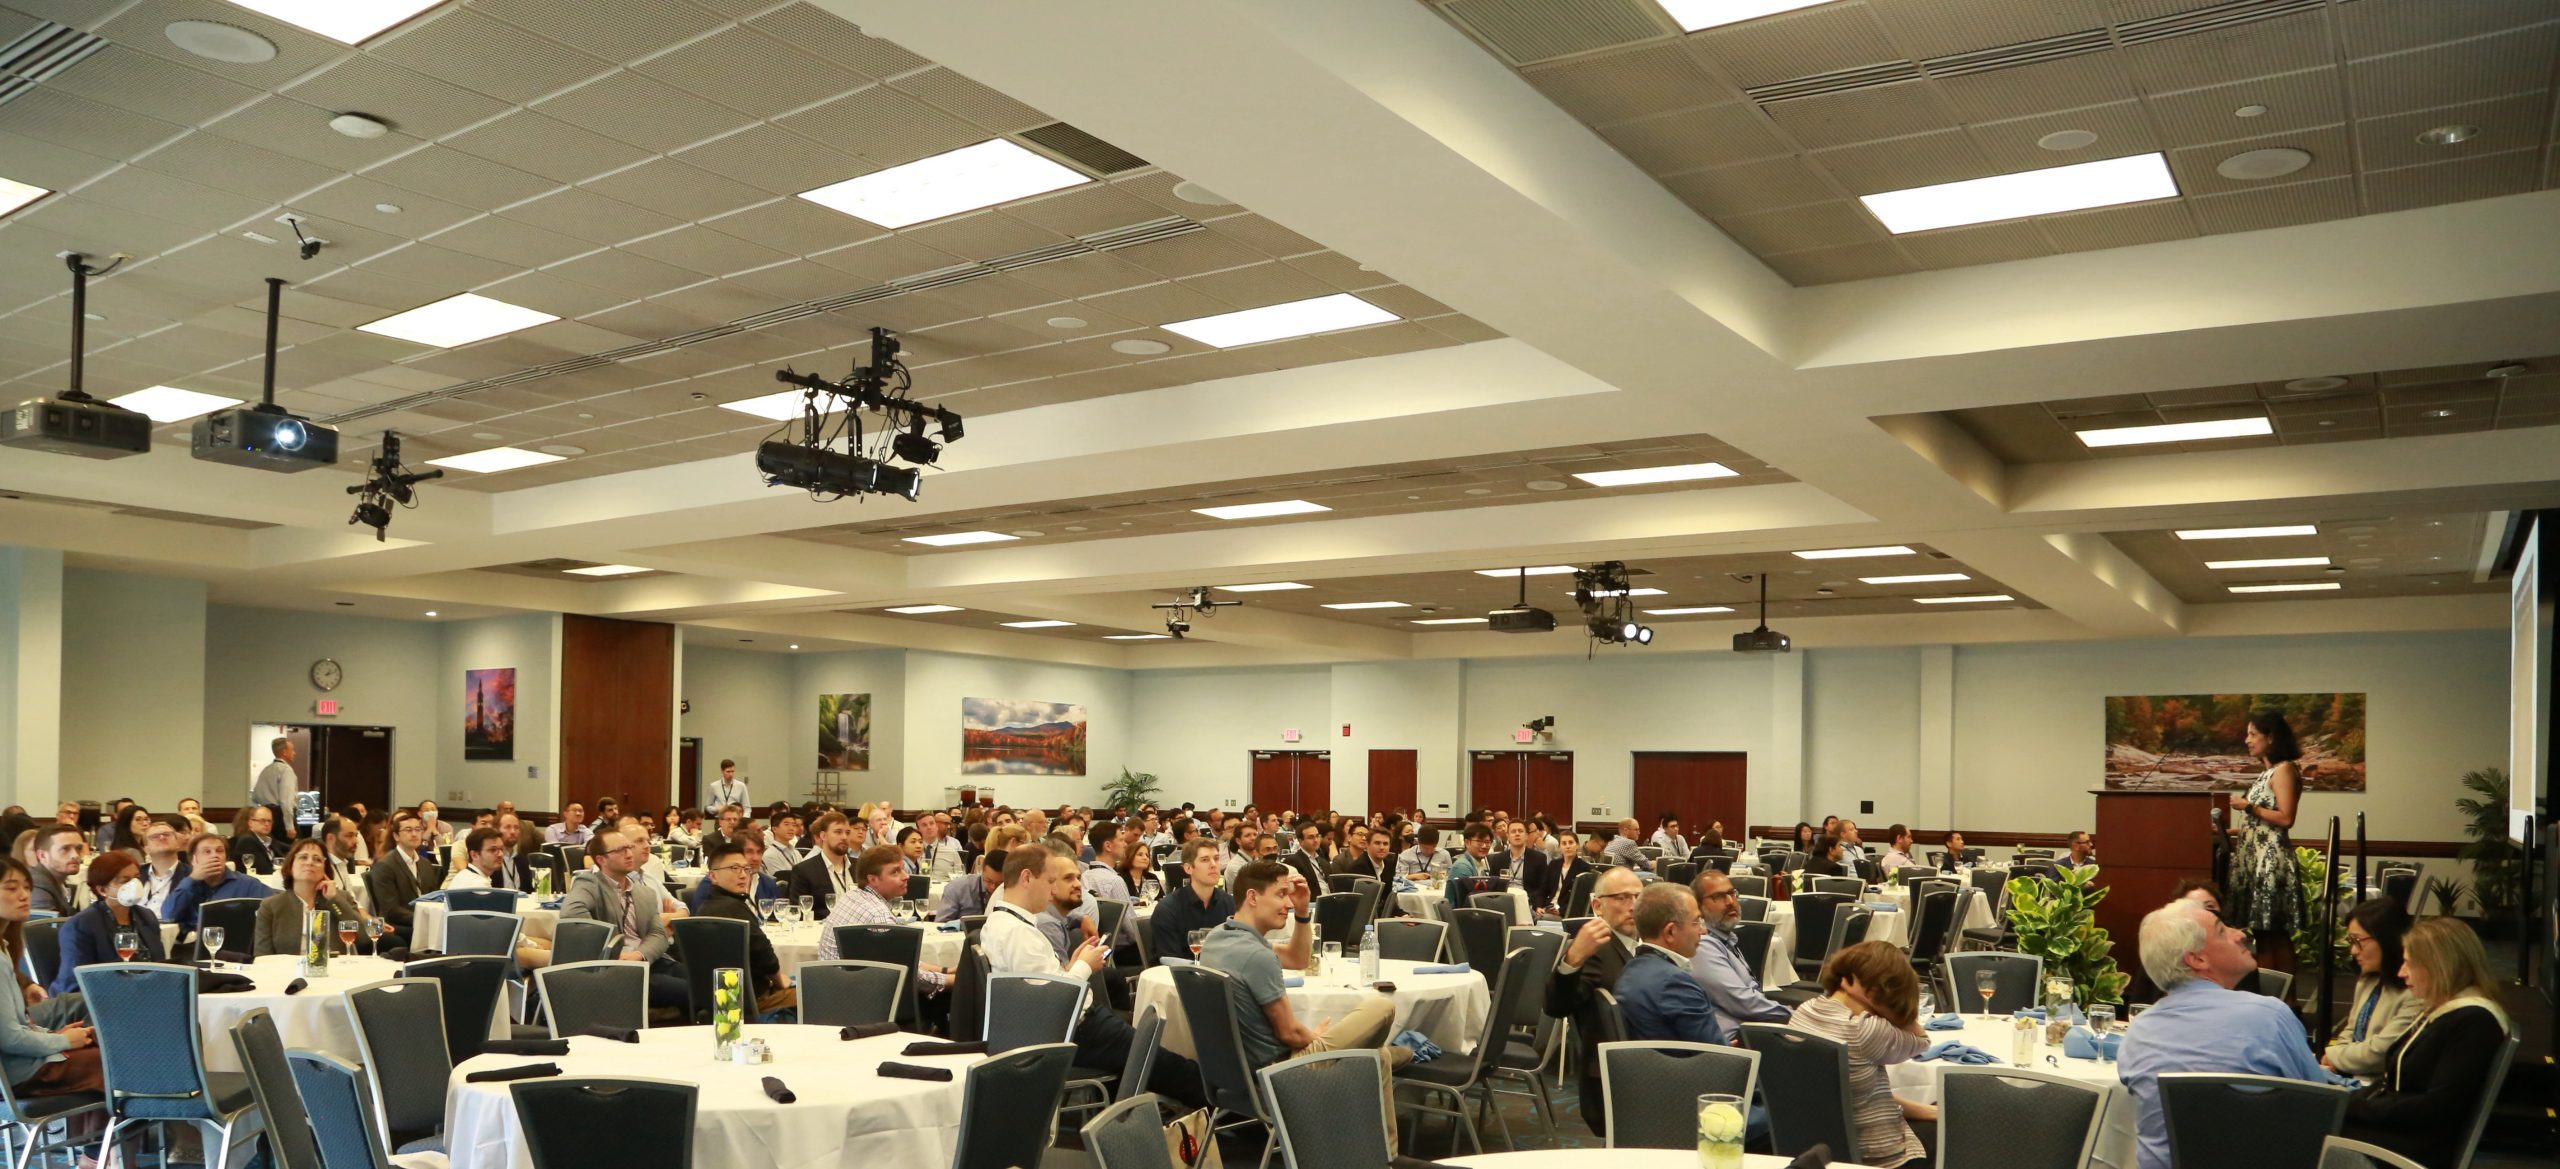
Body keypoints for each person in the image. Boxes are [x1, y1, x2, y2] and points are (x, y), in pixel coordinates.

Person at [983, 848, 1203, 1102]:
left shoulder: (1001, 923)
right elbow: (1051, 1004)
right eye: (1050, 881)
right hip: (1075, 1030)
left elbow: (1036, 986)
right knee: (1167, 1063)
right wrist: (1084, 966)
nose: (1052, 890)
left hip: (1073, 1024)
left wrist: (1070, 968)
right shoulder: (1018, 933)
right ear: (1027, 878)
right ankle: (1219, 1103)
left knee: (1155, 1053)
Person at [2120, 899, 2325, 1169]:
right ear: (2197, 959)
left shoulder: (2137, 1032)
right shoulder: (2269, 1016)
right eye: (2222, 930)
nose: (2239, 934)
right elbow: (2322, 1107)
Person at [1200, 859, 1406, 1086]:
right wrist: (1319, 1038)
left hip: (1234, 1072)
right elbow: (1290, 1033)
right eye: (1281, 894)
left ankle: (1375, 1054)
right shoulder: (1257, 956)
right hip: (1280, 1072)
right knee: (1382, 1006)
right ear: (1253, 897)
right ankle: (1372, 1051)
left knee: (1380, 1058)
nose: (1288, 903)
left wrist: (1302, 913)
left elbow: (1298, 959)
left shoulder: (1218, 937)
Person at [2340, 917, 2514, 1169]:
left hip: (2411, 1149)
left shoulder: (2474, 1021)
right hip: (2397, 1132)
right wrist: (2350, 1102)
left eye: (2409, 963)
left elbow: (2437, 1108)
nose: (2401, 972)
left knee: (2302, 1126)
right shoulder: (2448, 1011)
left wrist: (2354, 1106)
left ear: (2439, 966)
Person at [1786, 940, 1932, 1168]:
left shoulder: (1804, 1011)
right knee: (1955, 1132)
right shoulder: (1867, 1029)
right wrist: (1882, 1007)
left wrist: (1926, 1111)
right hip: (1878, 1156)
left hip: (1819, 1149)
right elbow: (1922, 1041)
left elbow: (1848, 1094)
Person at [1547, 868, 1643, 1135]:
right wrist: (1573, 959)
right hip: (1615, 1077)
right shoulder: (1596, 950)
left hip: (1645, 1064)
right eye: (1622, 898)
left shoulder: (1647, 944)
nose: (1633, 906)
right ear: (1598, 906)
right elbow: (1555, 1006)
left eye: (1639, 897)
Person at [0, 858, 100, 1098]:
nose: (24, 895)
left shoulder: (5, 947)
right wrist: (63, 1041)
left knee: (101, 1046)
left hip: (22, 1063)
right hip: (21, 1072)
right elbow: (9, 1038)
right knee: (119, 1059)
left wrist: (54, 1036)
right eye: (11, 888)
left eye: (27, 887)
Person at [557, 826, 687, 1009]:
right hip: (615, 969)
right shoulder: (589, 884)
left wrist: (638, 955)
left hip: (648, 960)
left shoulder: (644, 892)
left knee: (705, 980)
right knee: (690, 990)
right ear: (601, 860)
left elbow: (658, 934)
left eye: (629, 847)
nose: (629, 854)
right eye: (620, 850)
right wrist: (612, 950)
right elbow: (572, 914)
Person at [2225, 709, 2305, 973]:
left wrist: (2248, 807)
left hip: (2270, 861)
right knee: (2262, 934)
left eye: (2252, 734)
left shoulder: (2284, 770)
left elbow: (2285, 818)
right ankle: (2269, 991)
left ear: (2270, 738)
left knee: (2274, 934)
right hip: (2255, 860)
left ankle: (2284, 993)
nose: (2247, 740)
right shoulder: (2266, 772)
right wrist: (2231, 831)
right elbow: (2261, 823)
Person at [692, 840, 795, 1018]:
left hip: (716, 1003)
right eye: (734, 868)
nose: (743, 875)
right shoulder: (735, 909)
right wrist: (781, 982)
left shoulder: (704, 908)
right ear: (713, 876)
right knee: (820, 992)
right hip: (753, 1002)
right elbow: (765, 956)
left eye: (746, 869)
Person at [2325, 900, 2424, 1077]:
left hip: (2379, 1084)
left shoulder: (2415, 991)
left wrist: (2333, 1056)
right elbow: (2350, 1030)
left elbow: (2380, 1052)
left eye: (2358, 941)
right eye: (2351, 941)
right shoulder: (2368, 980)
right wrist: (2336, 1060)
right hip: (2350, 1075)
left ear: (2386, 939)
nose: (2353, 951)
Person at [1614, 882, 1721, 1044]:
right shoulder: (1675, 983)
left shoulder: (1629, 969)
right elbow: (1719, 1052)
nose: (1703, 930)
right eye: (1696, 922)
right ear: (1671, 931)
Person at [1689, 870, 1790, 1040]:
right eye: (1718, 897)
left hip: (1755, 1028)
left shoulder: (1726, 939)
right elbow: (1742, 1002)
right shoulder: (1702, 945)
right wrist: (1792, 1015)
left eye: (1732, 893)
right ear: (1698, 906)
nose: (1730, 902)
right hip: (1736, 1040)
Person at [51, 853, 167, 995]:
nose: (135, 884)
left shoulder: (146, 916)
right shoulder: (80, 926)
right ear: (102, 890)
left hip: (150, 993)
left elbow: (161, 966)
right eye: (125, 880)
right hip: (105, 998)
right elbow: (76, 983)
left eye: (136, 878)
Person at [253, 840, 367, 958]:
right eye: (303, 857)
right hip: (288, 969)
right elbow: (262, 957)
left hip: (335, 967)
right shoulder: (271, 906)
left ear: (325, 869)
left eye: (317, 859)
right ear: (291, 866)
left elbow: (364, 938)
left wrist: (334, 899)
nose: (310, 862)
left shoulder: (341, 899)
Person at [160, 832, 268, 934]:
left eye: (219, 851)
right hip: (191, 943)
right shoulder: (185, 883)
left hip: (233, 941)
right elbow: (168, 916)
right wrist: (192, 879)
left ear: (226, 857)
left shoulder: (247, 884)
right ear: (193, 859)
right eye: (207, 852)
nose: (215, 855)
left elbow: (273, 909)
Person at [363, 810, 440, 950]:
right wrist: (423, 919)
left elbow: (434, 897)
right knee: (439, 934)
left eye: (418, 829)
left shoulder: (425, 864)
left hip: (425, 922)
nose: (414, 834)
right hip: (398, 925)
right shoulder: (386, 865)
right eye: (408, 830)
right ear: (396, 836)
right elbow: (390, 910)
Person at [1151, 838, 1234, 965]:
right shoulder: (1168, 909)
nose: (1213, 864)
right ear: (1188, 868)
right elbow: (1170, 961)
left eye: (1216, 858)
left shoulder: (1230, 903)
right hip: (1182, 974)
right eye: (1205, 860)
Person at [785, 811, 857, 918]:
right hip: (824, 926)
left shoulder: (860, 866)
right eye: (838, 832)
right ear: (823, 836)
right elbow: (800, 911)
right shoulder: (804, 870)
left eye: (847, 832)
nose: (844, 837)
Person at [1486, 819, 1554, 913]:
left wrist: (1538, 906)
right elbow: (1492, 885)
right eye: (1513, 831)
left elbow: (1542, 888)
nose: (1517, 834)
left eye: (1520, 831)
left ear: (1526, 836)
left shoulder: (1538, 858)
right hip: (1503, 902)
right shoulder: (1498, 859)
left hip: (1527, 902)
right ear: (1508, 836)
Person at [26, 827, 86, 918]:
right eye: (65, 849)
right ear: (42, 855)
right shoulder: (35, 884)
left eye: (79, 848)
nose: (76, 855)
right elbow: (46, 924)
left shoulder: (58, 880)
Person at [936, 848, 1005, 922]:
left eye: (1000, 883)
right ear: (982, 870)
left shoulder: (1012, 889)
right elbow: (941, 923)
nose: (993, 887)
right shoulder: (958, 888)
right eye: (988, 881)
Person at [251, 736, 298, 845]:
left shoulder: (266, 770)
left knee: (270, 846)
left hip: (266, 815)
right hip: (282, 819)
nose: (295, 753)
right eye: (292, 750)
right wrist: (289, 826)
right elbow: (286, 801)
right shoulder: (286, 770)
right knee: (287, 850)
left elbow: (254, 797)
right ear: (284, 752)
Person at [1442, 823, 1496, 912]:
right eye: (1479, 841)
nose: (1484, 846)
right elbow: (1466, 904)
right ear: (1467, 843)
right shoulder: (1462, 867)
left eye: (1487, 842)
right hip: (1460, 916)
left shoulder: (1478, 863)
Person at [444, 827, 516, 891]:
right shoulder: (478, 885)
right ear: (474, 855)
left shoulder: (467, 875)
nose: (500, 854)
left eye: (501, 849)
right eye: (492, 850)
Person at [135, 822, 185, 913]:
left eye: (167, 834)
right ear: (146, 849)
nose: (162, 837)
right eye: (155, 836)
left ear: (178, 843)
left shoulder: (192, 875)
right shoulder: (135, 874)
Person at [230, 805, 282, 875]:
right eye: (262, 820)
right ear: (250, 823)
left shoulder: (268, 839)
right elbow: (264, 870)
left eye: (269, 821)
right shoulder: (247, 840)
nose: (267, 824)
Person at [917, 813, 963, 879]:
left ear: (936, 827)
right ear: (918, 830)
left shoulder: (951, 852)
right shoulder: (913, 852)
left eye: (931, 823)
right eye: (924, 825)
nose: (929, 827)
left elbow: (960, 878)